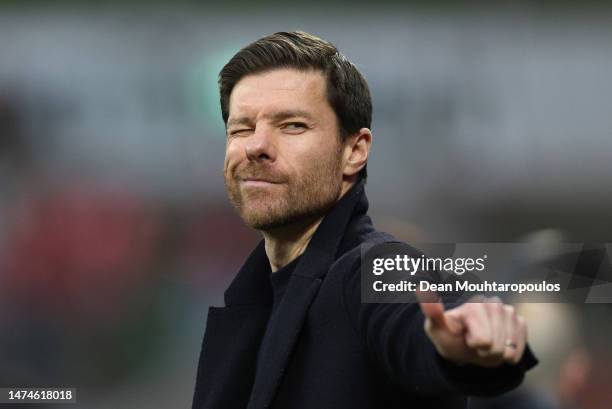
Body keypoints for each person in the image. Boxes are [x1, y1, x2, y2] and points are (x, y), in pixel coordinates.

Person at [192, 31, 537, 409]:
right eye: (241, 128)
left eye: (292, 125)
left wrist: (461, 339)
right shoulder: (255, 293)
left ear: (354, 151)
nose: (256, 145)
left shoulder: (368, 268)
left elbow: (414, 307)